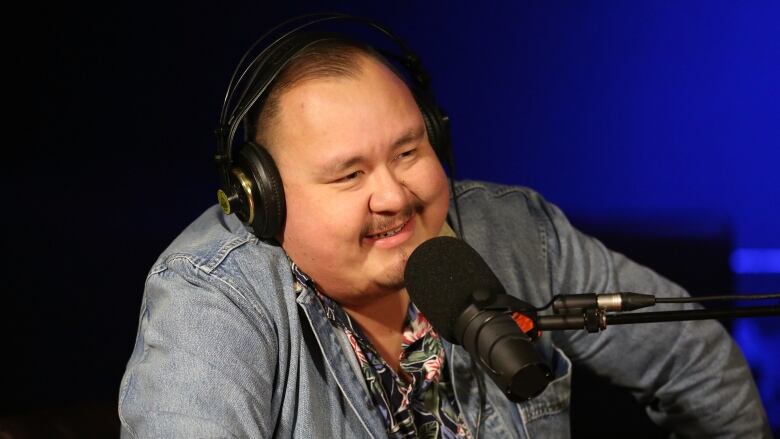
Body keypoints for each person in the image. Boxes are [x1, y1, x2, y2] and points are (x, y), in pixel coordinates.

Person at [118, 16, 770, 438]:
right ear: (262, 199)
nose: (394, 195)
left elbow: (694, 354)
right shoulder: (212, 301)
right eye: (348, 175)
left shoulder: (513, 231)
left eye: (408, 153)